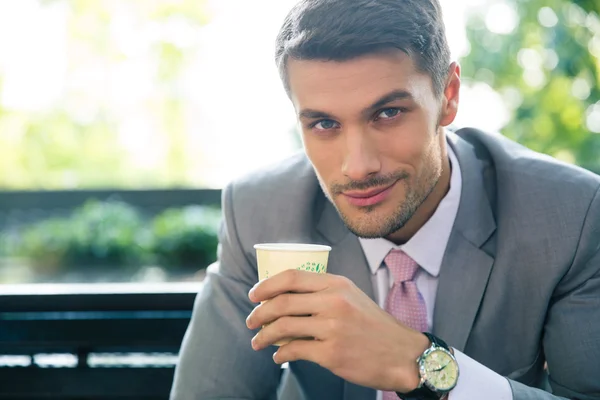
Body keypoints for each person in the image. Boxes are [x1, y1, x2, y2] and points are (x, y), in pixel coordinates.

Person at [170, 0, 600, 399]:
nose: (357, 167)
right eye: (323, 123)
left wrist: (418, 364)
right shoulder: (259, 211)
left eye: (388, 113)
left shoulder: (570, 216)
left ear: (448, 96)